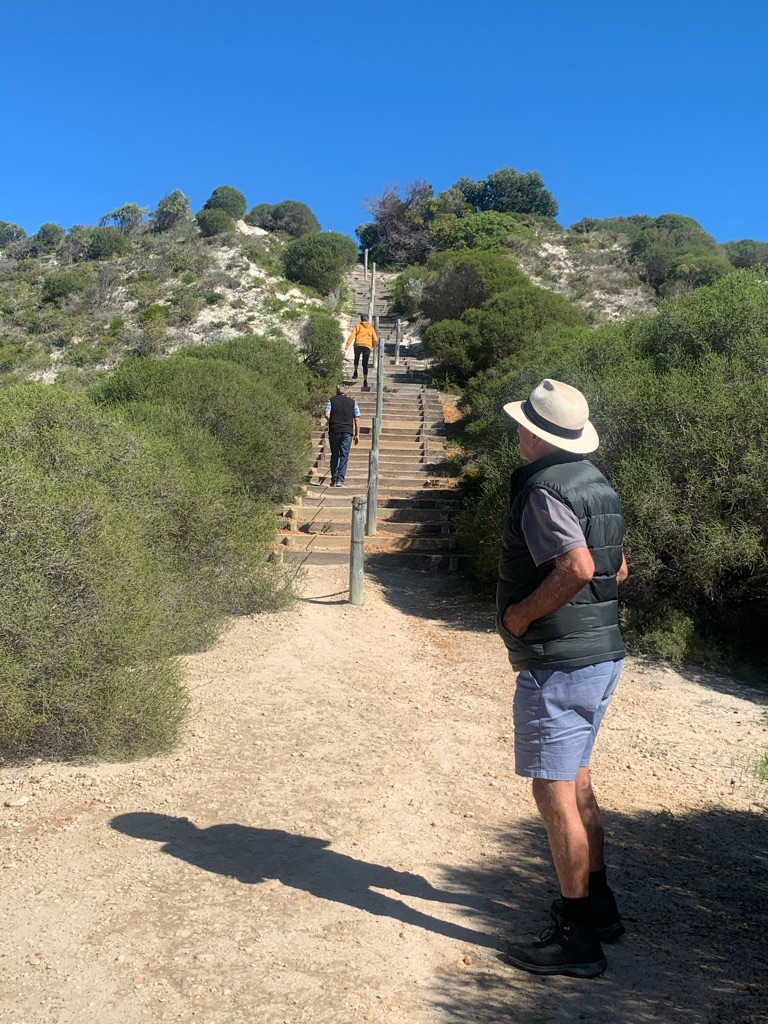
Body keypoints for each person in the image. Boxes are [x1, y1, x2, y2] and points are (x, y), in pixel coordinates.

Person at [496, 378, 628, 980]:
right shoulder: (597, 484)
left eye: (524, 425)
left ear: (537, 435)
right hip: (602, 657)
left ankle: (579, 939)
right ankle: (599, 907)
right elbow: (615, 570)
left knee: (553, 795)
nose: (518, 432)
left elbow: (577, 566)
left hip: (560, 662)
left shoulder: (544, 489)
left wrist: (522, 615)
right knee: (578, 783)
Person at [324, 385, 360, 487]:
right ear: (347, 392)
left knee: (335, 455)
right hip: (347, 431)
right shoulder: (353, 402)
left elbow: (327, 414)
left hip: (334, 430)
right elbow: (357, 419)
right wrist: (357, 434)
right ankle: (340, 480)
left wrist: (332, 420)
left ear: (337, 392)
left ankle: (334, 479)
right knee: (344, 455)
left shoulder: (331, 401)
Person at [345, 313, 378, 390]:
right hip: (367, 346)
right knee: (365, 363)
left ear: (361, 319)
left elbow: (352, 335)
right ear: (367, 319)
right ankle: (365, 380)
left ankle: (355, 371)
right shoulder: (371, 328)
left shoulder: (358, 326)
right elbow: (375, 339)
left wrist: (347, 344)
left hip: (358, 344)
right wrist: (371, 345)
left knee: (356, 358)